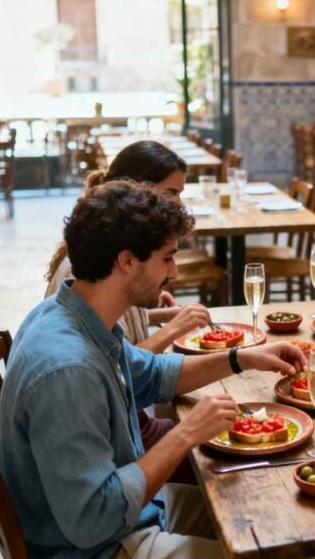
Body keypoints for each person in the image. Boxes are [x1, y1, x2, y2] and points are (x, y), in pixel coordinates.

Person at [0, 181, 306, 558]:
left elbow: (153, 373)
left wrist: (242, 358)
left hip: (132, 516)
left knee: (273, 517)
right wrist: (186, 434)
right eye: (167, 258)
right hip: (100, 546)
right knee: (275, 542)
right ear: (128, 261)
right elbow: (94, 517)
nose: (174, 273)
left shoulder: (70, 315)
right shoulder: (68, 370)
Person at [45, 140, 211, 451]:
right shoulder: (73, 368)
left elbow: (129, 357)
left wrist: (239, 358)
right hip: (129, 420)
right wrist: (174, 329)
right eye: (171, 193)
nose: (178, 204)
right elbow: (125, 372)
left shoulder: (101, 261)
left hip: (130, 415)